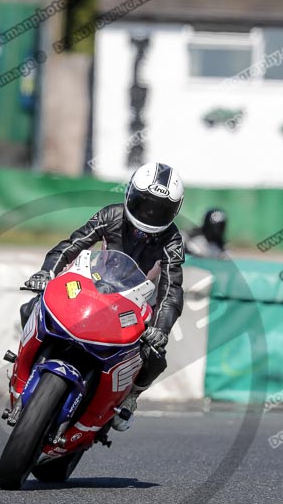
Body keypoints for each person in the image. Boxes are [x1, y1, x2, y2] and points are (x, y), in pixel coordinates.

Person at [21, 162, 185, 431]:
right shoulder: (111, 215)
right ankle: (25, 365)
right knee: (33, 307)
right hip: (94, 285)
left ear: (174, 211)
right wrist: (46, 272)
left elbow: (172, 290)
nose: (150, 214)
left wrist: (160, 329)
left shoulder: (172, 240)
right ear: (130, 194)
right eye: (144, 204)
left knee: (154, 354)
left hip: (136, 304)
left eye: (160, 210)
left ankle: (130, 397)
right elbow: (72, 245)